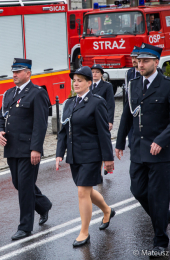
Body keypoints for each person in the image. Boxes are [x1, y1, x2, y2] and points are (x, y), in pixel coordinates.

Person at [115, 43, 170, 256]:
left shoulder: (166, 85)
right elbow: (128, 115)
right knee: (137, 190)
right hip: (138, 150)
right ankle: (163, 217)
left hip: (160, 152)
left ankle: (160, 241)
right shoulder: (133, 85)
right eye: (139, 61)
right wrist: (119, 143)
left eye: (145, 61)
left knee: (158, 197)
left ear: (156, 62)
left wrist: (162, 140)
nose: (140, 64)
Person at [56, 67, 115, 248]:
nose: (76, 83)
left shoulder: (96, 102)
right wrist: (59, 153)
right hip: (74, 154)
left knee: (82, 192)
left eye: (80, 80)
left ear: (90, 83)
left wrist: (108, 159)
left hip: (91, 154)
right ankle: (107, 210)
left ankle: (84, 232)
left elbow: (103, 133)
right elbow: (63, 131)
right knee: (86, 190)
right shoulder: (68, 103)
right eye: (74, 80)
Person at [0, 58, 52, 241]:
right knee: (18, 184)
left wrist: (36, 148)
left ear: (28, 73)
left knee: (25, 188)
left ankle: (25, 227)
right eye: (13, 71)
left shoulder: (37, 93)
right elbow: (2, 118)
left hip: (29, 149)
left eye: (18, 71)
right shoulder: (9, 94)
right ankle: (43, 205)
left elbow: (40, 124)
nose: (14, 75)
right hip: (12, 147)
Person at [90, 64, 115, 131]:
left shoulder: (107, 86)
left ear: (101, 74)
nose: (94, 74)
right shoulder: (88, 86)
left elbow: (110, 104)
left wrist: (110, 121)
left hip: (102, 116)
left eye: (97, 72)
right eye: (93, 72)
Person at [125, 46, 140, 148]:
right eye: (132, 58)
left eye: (136, 57)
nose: (134, 60)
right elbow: (127, 93)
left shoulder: (147, 72)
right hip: (132, 109)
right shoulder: (129, 73)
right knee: (132, 144)